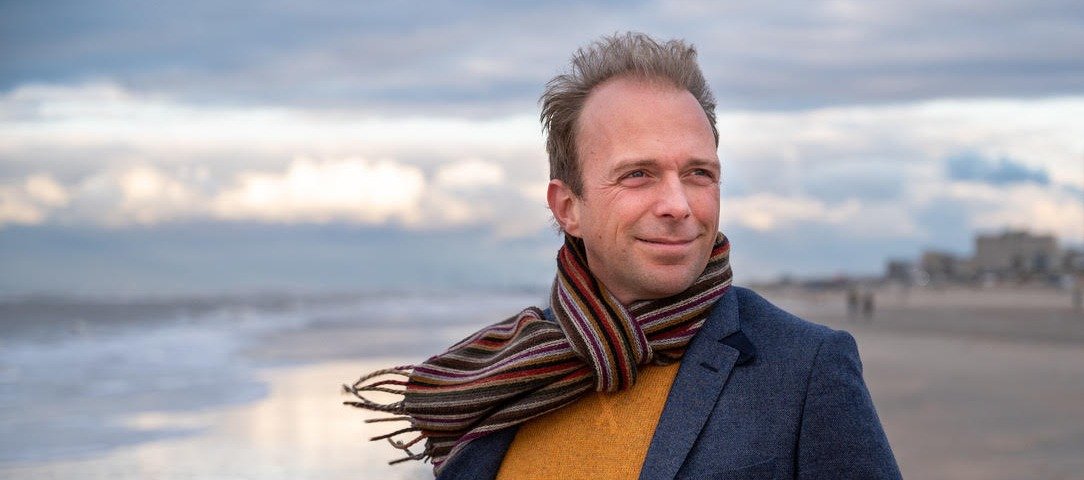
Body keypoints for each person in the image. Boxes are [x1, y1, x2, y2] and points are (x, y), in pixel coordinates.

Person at [345, 32, 901, 480]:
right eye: (638, 174)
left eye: (698, 173)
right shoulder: (501, 374)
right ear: (568, 207)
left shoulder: (804, 368)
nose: (678, 204)